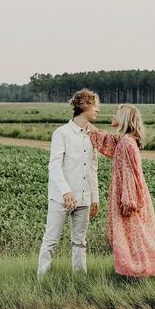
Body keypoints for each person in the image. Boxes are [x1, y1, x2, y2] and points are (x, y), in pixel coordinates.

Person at [89, 103, 155, 277]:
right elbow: (107, 139)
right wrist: (90, 127)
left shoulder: (125, 143)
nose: (112, 116)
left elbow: (131, 172)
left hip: (128, 196)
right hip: (128, 194)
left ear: (123, 118)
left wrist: (128, 199)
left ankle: (136, 272)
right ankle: (138, 272)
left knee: (133, 234)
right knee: (135, 233)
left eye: (116, 113)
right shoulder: (125, 140)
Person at [37, 89, 100, 277]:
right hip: (60, 198)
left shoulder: (92, 135)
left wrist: (94, 197)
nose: (98, 110)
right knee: (51, 240)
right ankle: (42, 279)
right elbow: (54, 166)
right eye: (95, 106)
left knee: (80, 242)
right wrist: (66, 192)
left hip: (84, 198)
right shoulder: (62, 133)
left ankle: (80, 279)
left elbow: (92, 168)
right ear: (84, 105)